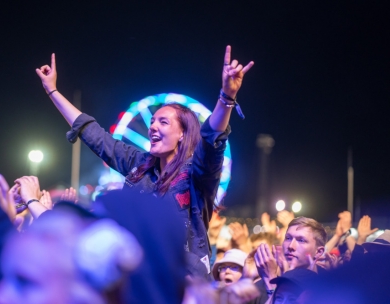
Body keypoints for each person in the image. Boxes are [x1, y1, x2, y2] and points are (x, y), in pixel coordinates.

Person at [35, 46, 254, 277]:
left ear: (183, 133)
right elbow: (94, 135)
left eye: (164, 122)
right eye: (153, 122)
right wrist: (52, 91)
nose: (153, 127)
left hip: (183, 283)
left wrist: (227, 97)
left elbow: (211, 137)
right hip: (138, 280)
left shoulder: (198, 172)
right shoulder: (138, 165)